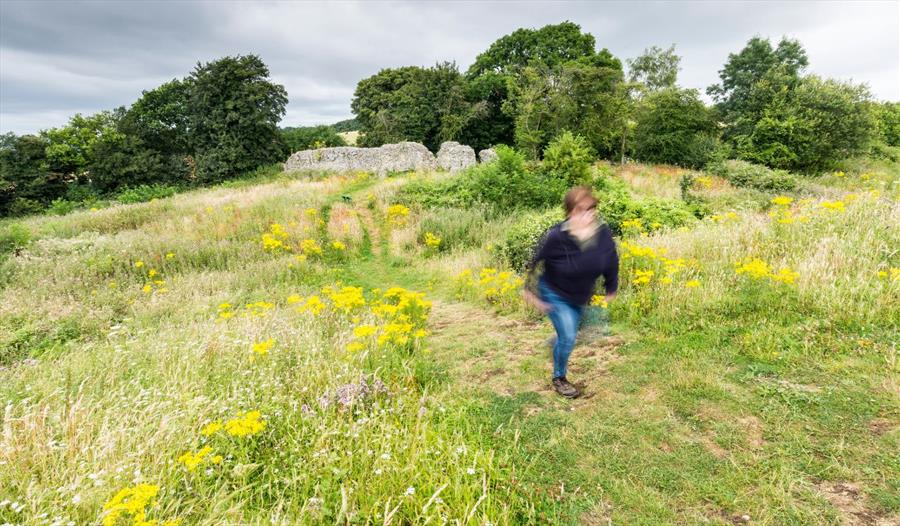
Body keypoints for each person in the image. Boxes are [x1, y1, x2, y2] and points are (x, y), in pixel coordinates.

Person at [523, 186, 619, 398]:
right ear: (571, 212)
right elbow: (535, 261)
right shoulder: (557, 235)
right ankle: (559, 378)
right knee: (568, 336)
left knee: (588, 330)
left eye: (592, 209)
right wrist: (530, 292)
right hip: (554, 292)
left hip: (580, 295)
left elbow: (611, 258)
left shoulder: (602, 232)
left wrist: (611, 286)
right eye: (584, 210)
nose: (590, 214)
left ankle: (556, 344)